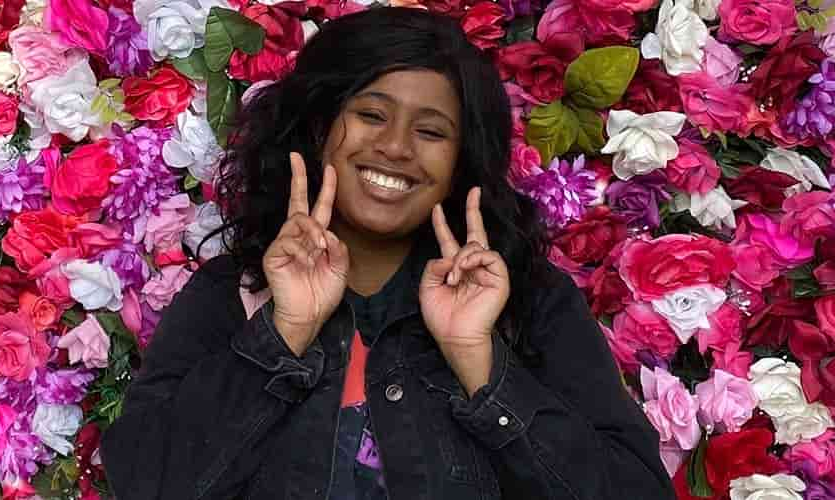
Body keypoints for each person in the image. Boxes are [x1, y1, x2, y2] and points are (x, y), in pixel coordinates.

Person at [101, 6, 674, 500]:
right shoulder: (234, 292)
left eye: (431, 132)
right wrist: (283, 332)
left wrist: (480, 362)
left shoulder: (532, 302)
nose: (396, 147)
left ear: (460, 162)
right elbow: (147, 484)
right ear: (321, 126)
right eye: (371, 115)